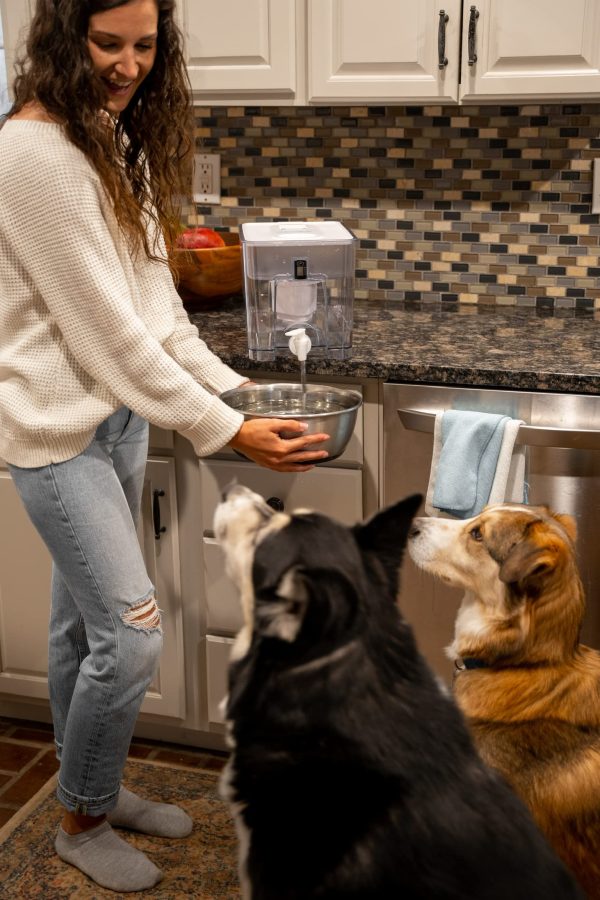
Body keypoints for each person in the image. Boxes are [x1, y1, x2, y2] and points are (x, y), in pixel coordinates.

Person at [0, 0, 330, 891]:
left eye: (146, 45)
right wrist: (227, 430)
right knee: (132, 637)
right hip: (55, 433)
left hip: (118, 419)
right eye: (108, 42)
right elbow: (107, 334)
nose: (129, 62)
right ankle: (82, 819)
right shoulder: (29, 155)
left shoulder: (114, 141)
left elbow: (156, 312)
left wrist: (238, 390)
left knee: (80, 628)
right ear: (62, 39)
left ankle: (89, 791)